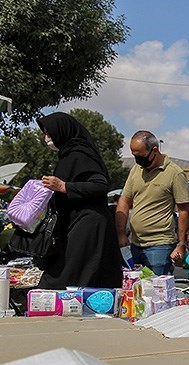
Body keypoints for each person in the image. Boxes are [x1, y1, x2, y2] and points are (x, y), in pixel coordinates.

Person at [35, 112, 123, 290]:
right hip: (76, 222)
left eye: (49, 134)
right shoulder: (68, 156)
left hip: (88, 224)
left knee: (64, 277)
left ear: (62, 131)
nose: (47, 138)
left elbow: (99, 186)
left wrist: (64, 186)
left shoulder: (80, 154)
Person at [116, 131, 189, 276]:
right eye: (134, 155)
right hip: (134, 244)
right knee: (134, 292)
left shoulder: (175, 173)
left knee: (155, 293)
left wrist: (181, 244)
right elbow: (124, 200)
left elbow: (183, 211)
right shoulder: (136, 170)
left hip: (160, 246)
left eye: (140, 156)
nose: (137, 160)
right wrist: (121, 234)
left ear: (154, 150)